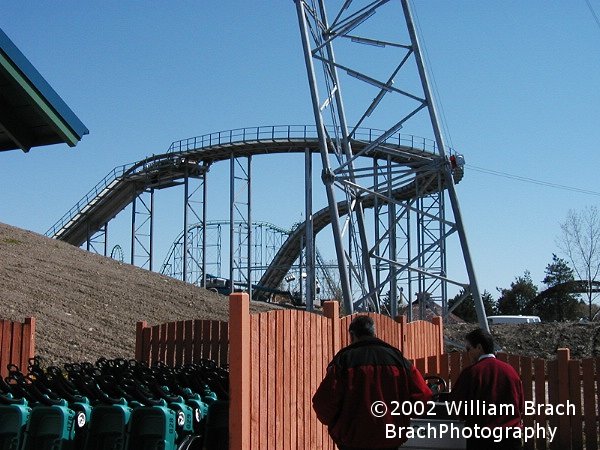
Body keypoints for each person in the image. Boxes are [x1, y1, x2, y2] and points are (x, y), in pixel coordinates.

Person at [312, 315, 432, 450]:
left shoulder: (344, 360)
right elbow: (424, 395)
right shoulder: (398, 359)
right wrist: (402, 417)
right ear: (375, 333)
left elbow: (323, 402)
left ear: (352, 335)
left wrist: (336, 424)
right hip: (390, 439)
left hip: (353, 440)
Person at [451, 328, 524, 449]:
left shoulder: (472, 373)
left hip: (482, 438)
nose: (467, 353)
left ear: (479, 347)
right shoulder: (511, 371)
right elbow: (519, 404)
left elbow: (457, 405)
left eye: (468, 349)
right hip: (511, 437)